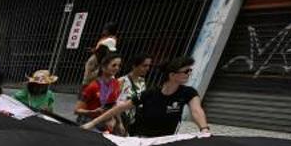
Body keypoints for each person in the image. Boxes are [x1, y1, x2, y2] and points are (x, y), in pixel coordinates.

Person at [83, 56, 211, 138]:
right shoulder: (150, 93)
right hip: (140, 138)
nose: (189, 74)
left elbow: (196, 110)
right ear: (172, 75)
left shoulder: (188, 93)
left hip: (164, 141)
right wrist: (92, 123)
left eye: (190, 71)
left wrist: (204, 129)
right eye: (186, 71)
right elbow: (120, 107)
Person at [76, 53, 123, 127]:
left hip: (105, 123)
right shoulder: (92, 86)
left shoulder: (116, 84)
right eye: (114, 65)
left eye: (119, 66)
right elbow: (77, 110)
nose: (117, 68)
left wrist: (120, 123)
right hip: (88, 121)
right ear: (103, 67)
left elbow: (114, 105)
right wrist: (92, 112)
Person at [117, 53, 152, 132]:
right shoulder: (122, 81)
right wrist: (119, 123)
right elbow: (114, 104)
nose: (147, 68)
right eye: (144, 66)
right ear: (134, 66)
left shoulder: (142, 81)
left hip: (133, 122)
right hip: (121, 121)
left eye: (149, 66)